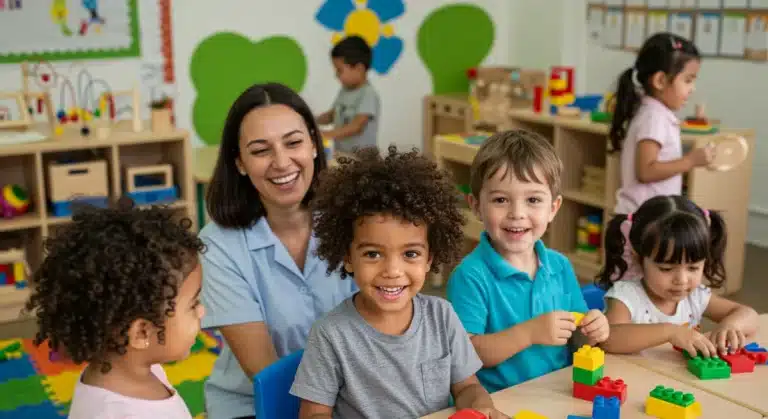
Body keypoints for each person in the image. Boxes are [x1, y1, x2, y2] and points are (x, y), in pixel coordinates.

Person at [290, 146, 508, 419]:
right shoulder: (330, 335)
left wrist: (481, 408)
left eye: (410, 254)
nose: (392, 271)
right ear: (348, 257)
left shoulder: (442, 316)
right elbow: (313, 415)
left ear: (430, 258)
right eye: (373, 254)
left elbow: (467, 387)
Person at [200, 83, 357, 419]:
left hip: (354, 395)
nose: (282, 162)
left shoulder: (354, 222)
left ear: (314, 145)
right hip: (257, 404)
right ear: (240, 163)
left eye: (293, 142)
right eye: (261, 151)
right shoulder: (219, 246)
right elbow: (268, 376)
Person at [447, 130, 610, 393]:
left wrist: (591, 330)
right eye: (500, 200)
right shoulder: (469, 276)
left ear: (553, 208)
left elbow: (577, 341)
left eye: (533, 200)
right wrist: (529, 333)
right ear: (476, 206)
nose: (517, 214)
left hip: (559, 393)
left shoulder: (560, 266)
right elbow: (466, 357)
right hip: (501, 402)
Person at [25, 198, 205, 419]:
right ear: (141, 333)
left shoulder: (134, 372)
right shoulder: (117, 413)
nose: (202, 312)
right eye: (193, 305)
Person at [597, 195, 759, 357]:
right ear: (638, 258)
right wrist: (670, 332)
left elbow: (749, 314)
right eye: (666, 269)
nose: (681, 280)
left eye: (693, 267)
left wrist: (730, 325)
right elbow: (608, 338)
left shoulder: (695, 296)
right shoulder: (626, 297)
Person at [610, 32, 713, 215]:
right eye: (688, 80)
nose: (692, 89)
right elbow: (646, 171)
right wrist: (690, 161)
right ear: (660, 80)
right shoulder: (654, 117)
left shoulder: (654, 113)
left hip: (645, 218)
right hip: (642, 221)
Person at [315, 35, 380, 154]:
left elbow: (356, 127)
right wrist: (312, 120)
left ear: (359, 69)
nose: (336, 75)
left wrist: (326, 135)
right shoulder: (344, 91)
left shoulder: (368, 94)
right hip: (343, 153)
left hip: (362, 159)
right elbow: (332, 115)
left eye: (339, 70)